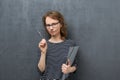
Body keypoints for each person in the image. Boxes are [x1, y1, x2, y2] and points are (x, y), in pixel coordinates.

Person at [38, 10, 77, 80]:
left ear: (61, 24)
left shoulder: (70, 44)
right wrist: (43, 52)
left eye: (54, 24)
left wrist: (69, 70)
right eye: (48, 25)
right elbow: (41, 70)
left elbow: (75, 66)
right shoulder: (44, 45)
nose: (51, 28)